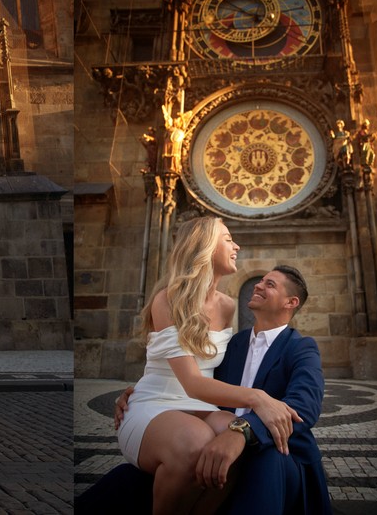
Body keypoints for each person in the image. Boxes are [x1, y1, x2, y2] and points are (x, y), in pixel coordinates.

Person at [81, 265, 332, 515]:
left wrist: (242, 432)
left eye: (270, 284)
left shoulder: (302, 347)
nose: (258, 285)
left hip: (276, 454)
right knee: (135, 477)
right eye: (261, 281)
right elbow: (198, 380)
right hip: (216, 442)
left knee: (261, 462)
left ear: (291, 302)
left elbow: (304, 407)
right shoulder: (234, 344)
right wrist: (140, 393)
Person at [112, 216, 299, 514]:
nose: (236, 245)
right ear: (203, 246)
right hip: (155, 404)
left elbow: (223, 372)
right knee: (194, 441)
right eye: (227, 239)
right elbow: (191, 381)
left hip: (203, 408)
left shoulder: (227, 306)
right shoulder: (167, 299)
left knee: (237, 440)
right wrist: (259, 398)